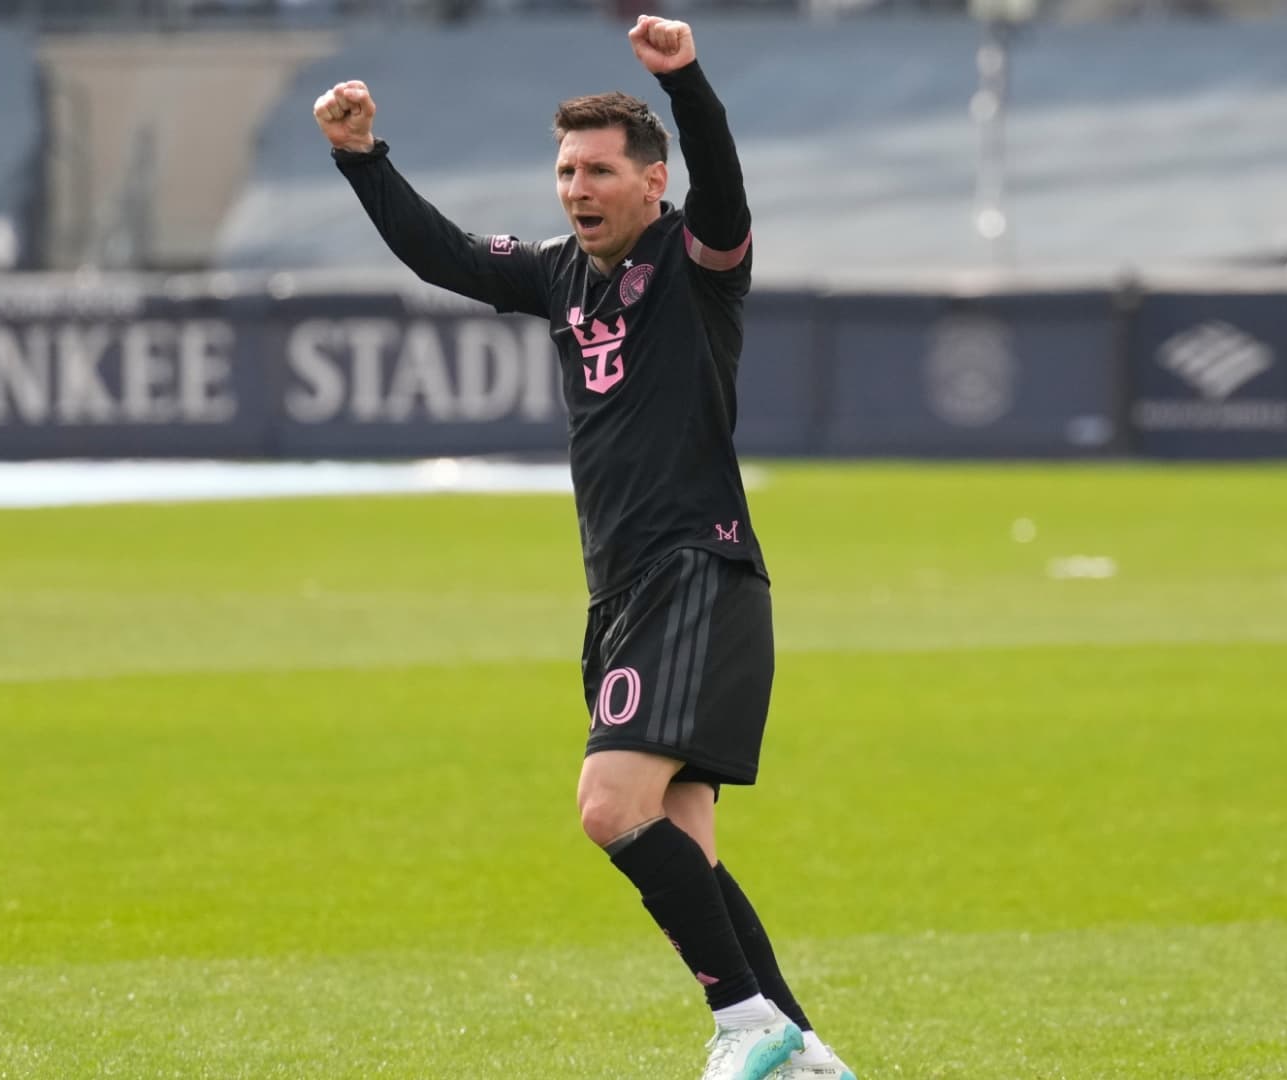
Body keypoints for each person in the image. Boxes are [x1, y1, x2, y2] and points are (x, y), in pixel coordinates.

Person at [315, 17, 856, 1080]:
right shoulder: (561, 275)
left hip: (695, 569)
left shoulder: (698, 265)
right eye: (566, 169)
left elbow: (729, 192)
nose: (577, 187)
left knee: (609, 808)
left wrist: (686, 81)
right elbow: (448, 256)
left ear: (654, 184)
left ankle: (747, 1021)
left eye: (601, 169)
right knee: (683, 842)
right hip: (621, 590)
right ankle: (804, 1053)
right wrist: (361, 159)